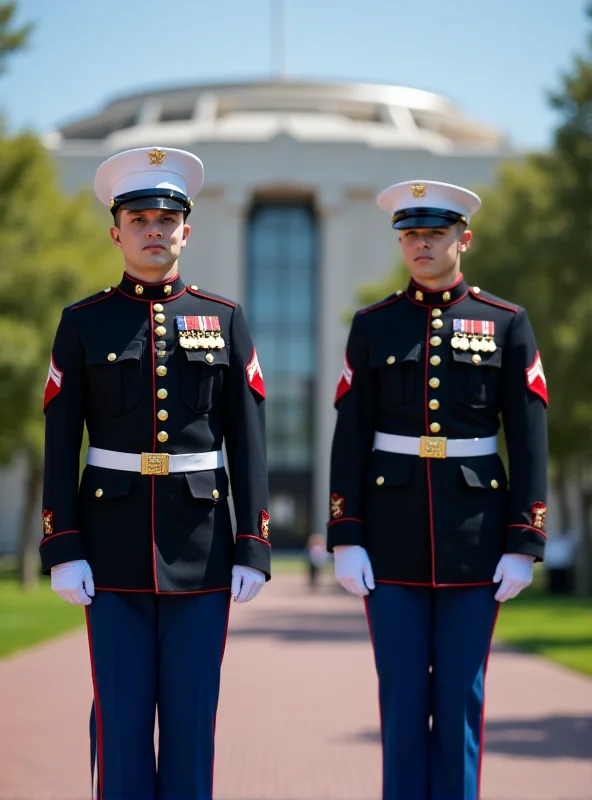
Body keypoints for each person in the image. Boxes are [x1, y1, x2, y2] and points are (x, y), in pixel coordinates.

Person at [39, 146, 271, 800]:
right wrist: (62, 545)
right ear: (117, 232)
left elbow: (248, 439)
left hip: (202, 552)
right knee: (120, 724)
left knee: (193, 725)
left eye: (166, 220)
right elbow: (61, 441)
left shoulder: (224, 320)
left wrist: (252, 542)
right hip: (108, 556)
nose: (153, 231)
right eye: (139, 219)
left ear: (185, 230)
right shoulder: (83, 324)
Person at [327, 180, 548, 800]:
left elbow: (528, 438)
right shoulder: (373, 325)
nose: (422, 245)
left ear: (463, 240)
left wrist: (524, 539)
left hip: (477, 542)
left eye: (436, 234)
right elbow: (351, 436)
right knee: (400, 704)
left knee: (458, 705)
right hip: (390, 542)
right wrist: (345, 535)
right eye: (411, 235)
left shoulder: (506, 323)